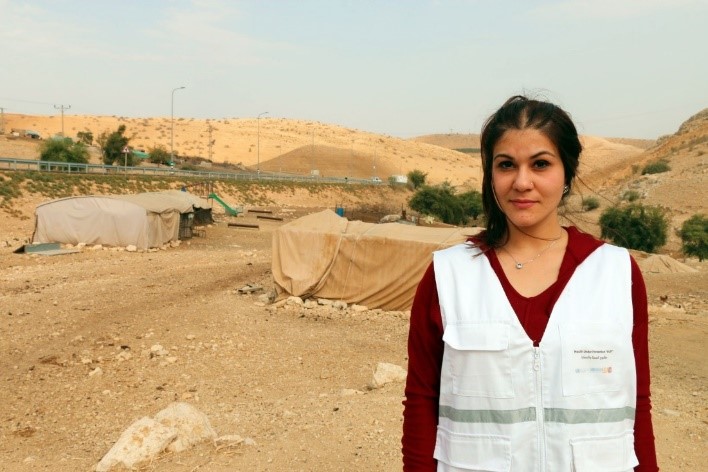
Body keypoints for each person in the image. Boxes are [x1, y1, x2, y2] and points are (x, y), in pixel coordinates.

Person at [402, 95, 658, 471]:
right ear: (491, 175)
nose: (522, 182)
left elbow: (637, 400)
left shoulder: (616, 273)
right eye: (506, 165)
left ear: (567, 173)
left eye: (540, 164)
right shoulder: (448, 275)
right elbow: (422, 399)